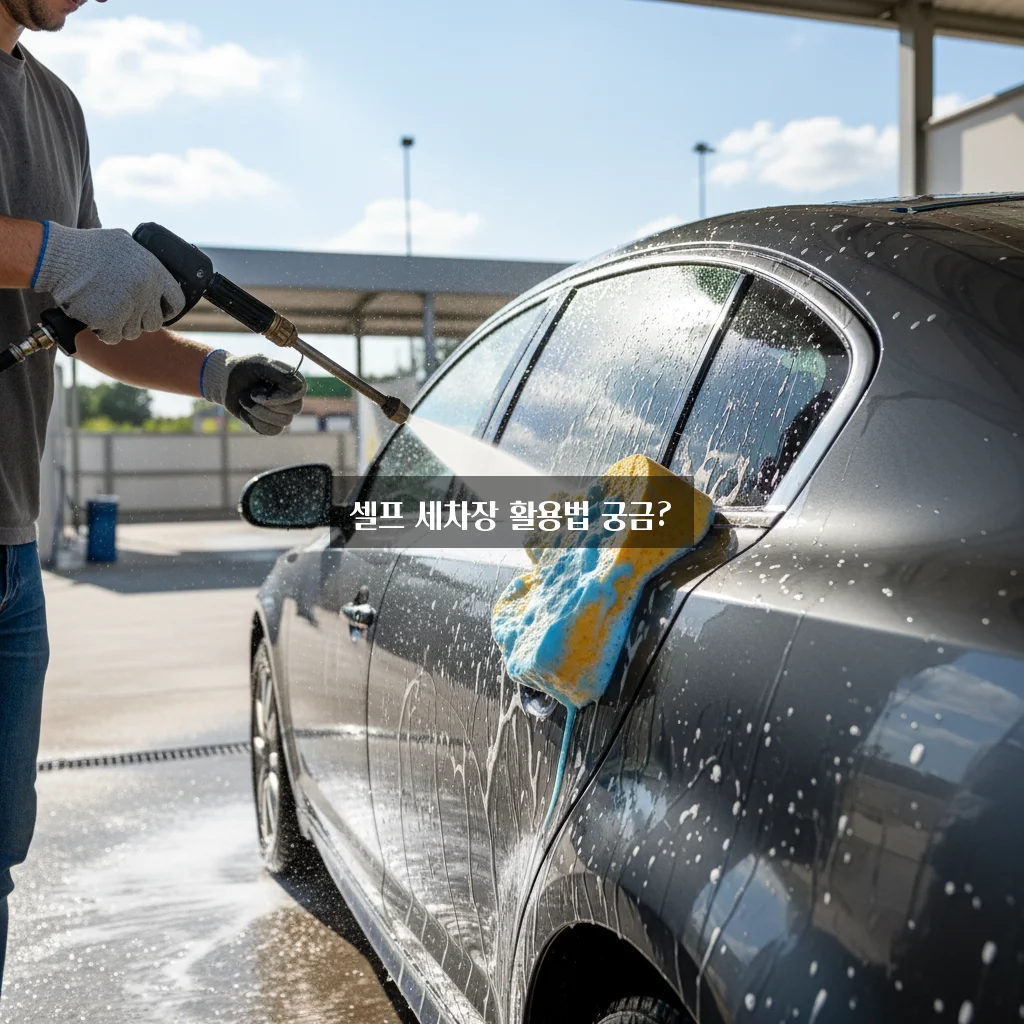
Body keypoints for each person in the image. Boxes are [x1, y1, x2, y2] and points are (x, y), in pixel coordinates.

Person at [0, 0, 307, 993]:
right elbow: (63, 265)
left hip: (9, 553)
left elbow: (85, 317)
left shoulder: (57, 109)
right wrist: (57, 251)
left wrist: (218, 375)